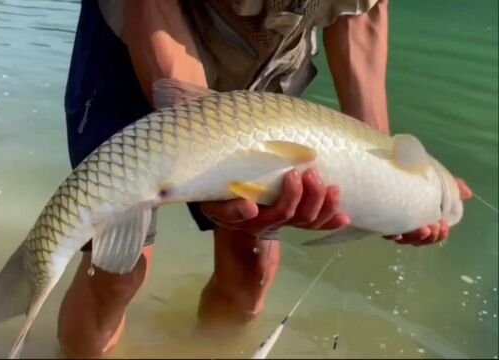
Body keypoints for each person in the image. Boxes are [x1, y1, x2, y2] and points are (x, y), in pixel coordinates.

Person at [57, 0, 473, 358]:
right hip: (145, 21)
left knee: (253, 263)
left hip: (269, 33)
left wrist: (382, 187)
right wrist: (203, 159)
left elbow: (361, 13)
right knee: (116, 268)